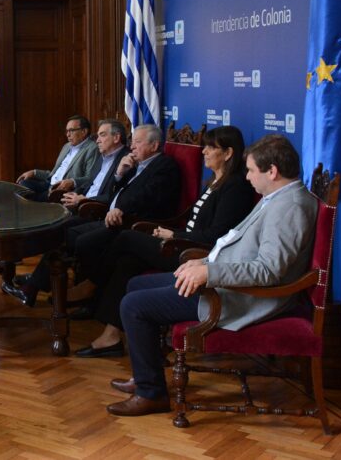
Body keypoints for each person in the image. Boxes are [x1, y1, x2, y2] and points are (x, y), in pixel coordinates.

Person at [107, 134, 317, 417]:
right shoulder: (278, 197)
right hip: (223, 281)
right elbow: (236, 245)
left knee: (133, 306)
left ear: (272, 171)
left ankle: (151, 393)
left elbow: (269, 270)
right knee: (136, 285)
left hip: (239, 297)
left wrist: (209, 272)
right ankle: (148, 372)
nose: (247, 177)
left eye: (251, 171)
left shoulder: (289, 206)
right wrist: (203, 262)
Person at [72, 126, 255, 357]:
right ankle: (111, 335)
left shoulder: (235, 187)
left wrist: (175, 236)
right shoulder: (214, 182)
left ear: (228, 153)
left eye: (211, 148)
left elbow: (216, 236)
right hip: (183, 243)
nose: (204, 152)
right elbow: (194, 224)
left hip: (195, 255)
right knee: (127, 263)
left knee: (126, 237)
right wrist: (172, 232)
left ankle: (93, 282)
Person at [3, 123, 180, 307]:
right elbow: (115, 192)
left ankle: (84, 293)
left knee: (79, 240)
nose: (132, 146)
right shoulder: (136, 164)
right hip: (111, 215)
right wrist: (119, 174)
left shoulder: (164, 166)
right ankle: (37, 285)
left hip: (130, 221)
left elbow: (146, 197)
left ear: (154, 145)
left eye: (138, 142)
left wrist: (120, 208)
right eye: (132, 141)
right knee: (61, 232)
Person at [15, 115, 99, 202]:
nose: (68, 135)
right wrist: (34, 172)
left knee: (27, 198)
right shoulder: (67, 146)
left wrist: (72, 181)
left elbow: (90, 178)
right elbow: (54, 174)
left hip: (63, 190)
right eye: (67, 131)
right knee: (22, 186)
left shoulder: (92, 149)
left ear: (84, 131)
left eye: (71, 130)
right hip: (49, 184)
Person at [58, 119, 129, 210]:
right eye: (98, 136)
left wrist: (86, 200)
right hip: (81, 205)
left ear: (116, 138)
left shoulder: (127, 160)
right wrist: (73, 195)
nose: (97, 140)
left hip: (98, 209)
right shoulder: (101, 157)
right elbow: (89, 183)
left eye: (102, 135)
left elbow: (118, 194)